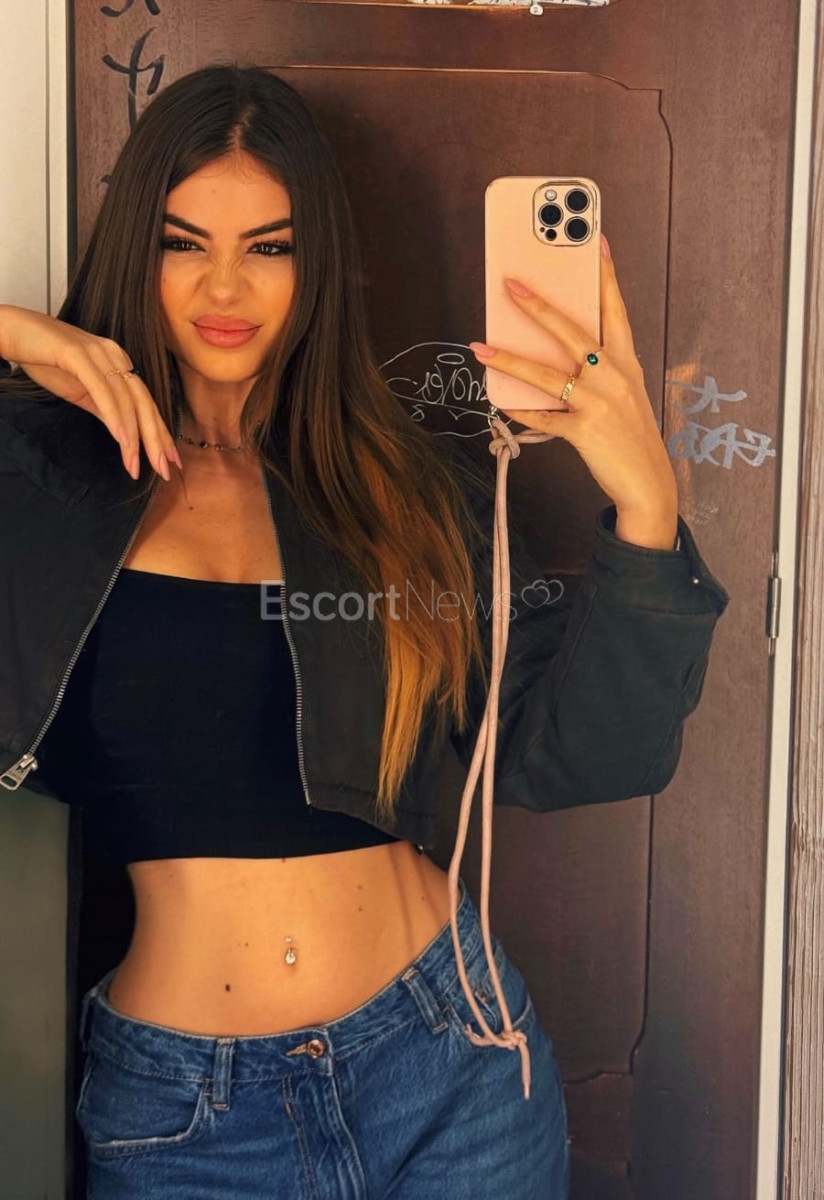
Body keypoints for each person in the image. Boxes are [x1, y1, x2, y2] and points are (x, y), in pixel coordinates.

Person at [0, 64, 729, 1199]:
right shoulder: (36, 477)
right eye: (184, 242)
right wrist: (11, 336)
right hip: (187, 1117)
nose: (225, 285)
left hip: (450, 1061)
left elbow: (577, 752)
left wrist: (645, 503)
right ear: (137, 249)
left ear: (319, 264)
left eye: (271, 246)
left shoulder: (400, 488)